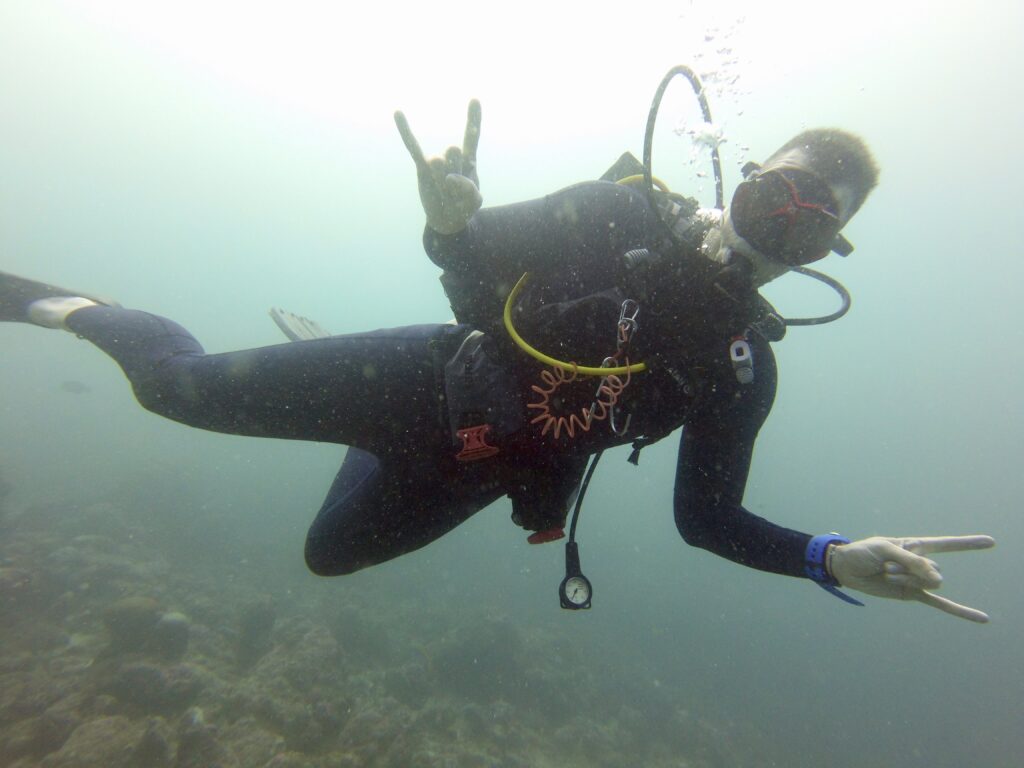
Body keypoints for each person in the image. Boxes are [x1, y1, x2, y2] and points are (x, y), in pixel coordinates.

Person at [1, 95, 994, 622]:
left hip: (489, 468)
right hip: (418, 376)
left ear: (828, 256)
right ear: (741, 181)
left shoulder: (742, 368)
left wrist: (824, 556)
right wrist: (447, 223)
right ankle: (74, 307)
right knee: (173, 389)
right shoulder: (617, 214)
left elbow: (707, 520)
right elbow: (474, 277)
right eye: (776, 196)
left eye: (815, 228)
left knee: (329, 557)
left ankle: (360, 444)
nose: (781, 229)